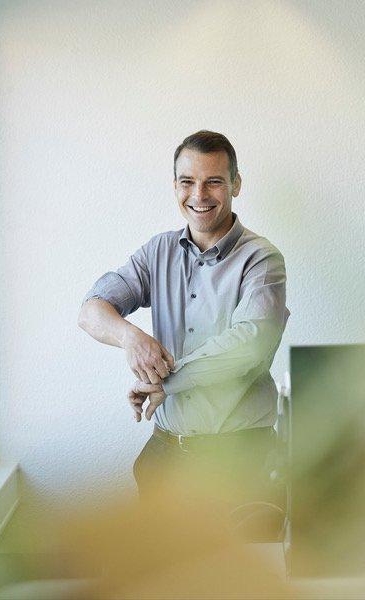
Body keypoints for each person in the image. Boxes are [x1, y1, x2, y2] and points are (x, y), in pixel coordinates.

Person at [78, 130, 290, 519]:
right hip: (165, 456)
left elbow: (249, 344)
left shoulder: (262, 259)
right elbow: (91, 310)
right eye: (187, 182)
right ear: (175, 186)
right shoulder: (157, 252)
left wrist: (164, 382)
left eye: (214, 182)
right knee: (157, 559)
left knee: (241, 561)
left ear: (236, 185)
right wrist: (131, 338)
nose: (199, 195)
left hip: (240, 459)